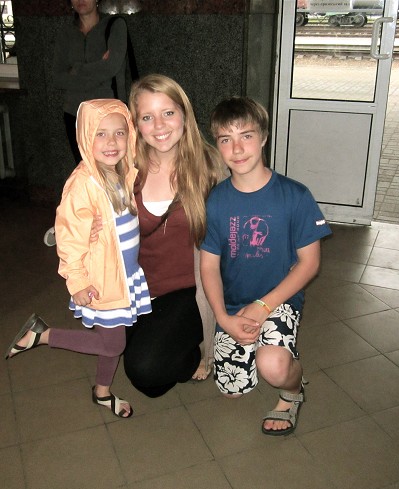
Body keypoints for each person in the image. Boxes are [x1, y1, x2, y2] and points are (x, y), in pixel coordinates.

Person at [5, 99, 151, 418]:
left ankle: (102, 392)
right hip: (101, 279)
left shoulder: (120, 171)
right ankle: (43, 335)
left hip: (123, 274)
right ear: (85, 137)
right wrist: (78, 281)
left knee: (112, 339)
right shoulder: (84, 183)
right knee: (113, 344)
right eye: (100, 134)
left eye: (119, 133)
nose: (111, 142)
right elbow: (69, 237)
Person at [200, 96, 332, 436]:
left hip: (279, 299)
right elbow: (209, 266)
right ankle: (268, 349)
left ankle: (293, 389)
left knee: (273, 368)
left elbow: (309, 264)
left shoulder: (295, 195)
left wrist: (263, 307)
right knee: (233, 390)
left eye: (246, 135)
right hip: (234, 305)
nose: (237, 148)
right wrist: (223, 318)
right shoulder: (216, 200)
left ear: (264, 137)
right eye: (226, 139)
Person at [90, 74, 225, 396]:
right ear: (135, 124)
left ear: (184, 114)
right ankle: (174, 344)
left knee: (145, 370)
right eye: (147, 117)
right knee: (148, 380)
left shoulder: (211, 166)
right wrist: (92, 230)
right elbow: (84, 213)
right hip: (136, 287)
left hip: (189, 288)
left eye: (168, 112)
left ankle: (197, 346)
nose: (159, 125)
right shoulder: (122, 168)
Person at [45, 0, 128, 247]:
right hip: (75, 114)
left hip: (107, 115)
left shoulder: (114, 26)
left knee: (115, 170)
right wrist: (96, 68)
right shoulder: (66, 33)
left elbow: (112, 67)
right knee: (86, 172)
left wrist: (76, 70)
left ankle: (117, 223)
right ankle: (81, 223)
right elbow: (57, 77)